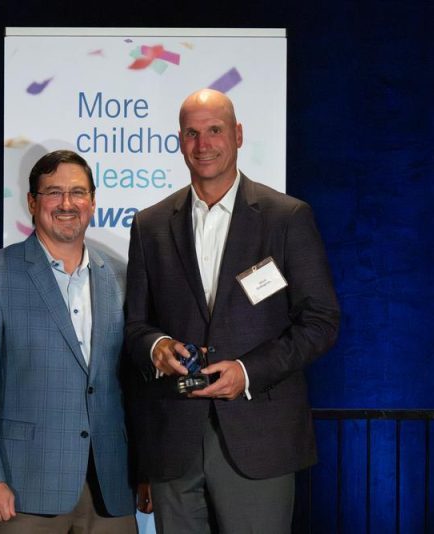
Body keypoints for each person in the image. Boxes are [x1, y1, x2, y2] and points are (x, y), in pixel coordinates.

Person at [125, 89, 341, 533]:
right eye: (191, 133)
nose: (203, 144)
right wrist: (157, 346)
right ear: (179, 141)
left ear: (238, 135)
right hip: (173, 441)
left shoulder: (286, 217)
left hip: (258, 438)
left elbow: (320, 322)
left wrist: (247, 371)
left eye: (215, 130)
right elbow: (135, 326)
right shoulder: (150, 225)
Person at [0, 150, 136, 533]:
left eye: (78, 192)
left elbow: (132, 386)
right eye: (54, 192)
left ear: (93, 202)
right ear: (33, 202)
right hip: (22, 490)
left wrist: (146, 470)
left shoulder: (120, 277)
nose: (67, 203)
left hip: (111, 488)